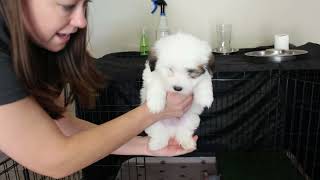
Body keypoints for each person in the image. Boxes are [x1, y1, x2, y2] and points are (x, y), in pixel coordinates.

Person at [0, 0, 195, 179]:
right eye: (67, 5)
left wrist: (145, 145)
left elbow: (61, 124)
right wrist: (153, 111)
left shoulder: (41, 51)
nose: (81, 21)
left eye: (84, 5)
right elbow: (55, 158)